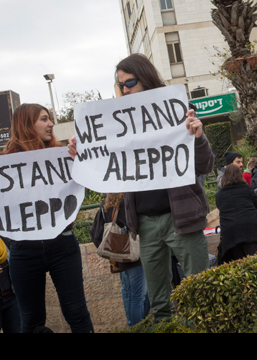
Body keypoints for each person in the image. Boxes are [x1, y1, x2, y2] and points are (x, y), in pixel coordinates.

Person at [68, 53, 214, 322]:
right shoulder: (119, 123)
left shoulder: (177, 111)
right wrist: (83, 154)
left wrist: (199, 136)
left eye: (130, 82)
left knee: (199, 293)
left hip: (180, 217)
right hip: (145, 225)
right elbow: (107, 166)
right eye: (121, 84)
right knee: (159, 303)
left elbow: (204, 166)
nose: (125, 89)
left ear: (146, 79)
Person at [0, 104, 94, 333]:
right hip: (24, 250)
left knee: (77, 313)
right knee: (31, 320)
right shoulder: (0, 164)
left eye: (50, 119)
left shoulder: (63, 155)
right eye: (44, 119)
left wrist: (81, 158)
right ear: (27, 125)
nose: (51, 124)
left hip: (62, 244)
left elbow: (92, 177)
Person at [90, 193, 150, 328]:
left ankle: (131, 326)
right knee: (139, 297)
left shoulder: (105, 204)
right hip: (133, 255)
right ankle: (138, 328)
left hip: (119, 256)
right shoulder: (126, 203)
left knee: (128, 293)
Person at [215, 165, 257, 264]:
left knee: (239, 267)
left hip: (230, 234)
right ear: (239, 175)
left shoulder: (219, 195)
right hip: (251, 229)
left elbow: (221, 208)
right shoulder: (246, 189)